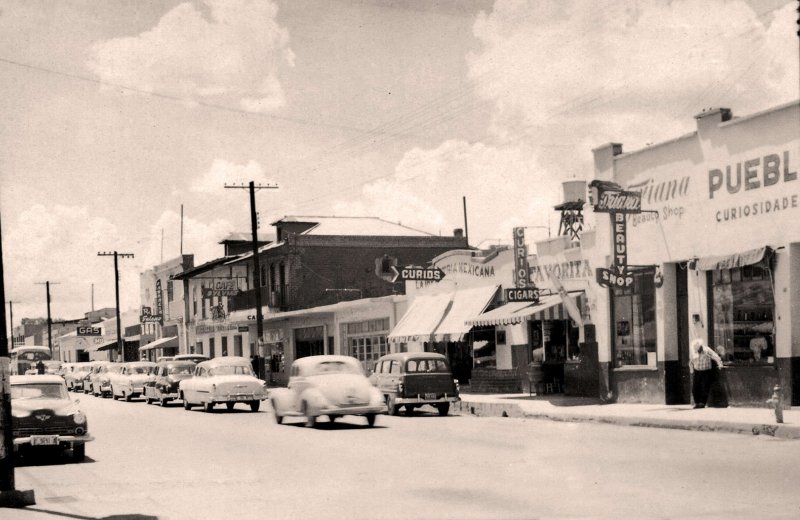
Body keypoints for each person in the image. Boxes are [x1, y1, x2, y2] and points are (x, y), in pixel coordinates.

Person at [689, 338, 723, 408]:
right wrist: (692, 371)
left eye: (696, 348)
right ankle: (697, 403)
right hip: (697, 371)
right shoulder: (694, 351)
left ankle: (702, 403)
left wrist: (720, 364)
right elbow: (691, 362)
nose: (696, 350)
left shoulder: (707, 350)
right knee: (695, 388)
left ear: (700, 346)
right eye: (695, 348)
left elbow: (715, 356)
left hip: (706, 371)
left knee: (705, 387)